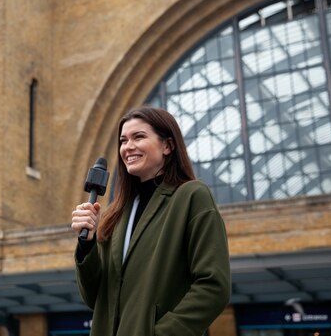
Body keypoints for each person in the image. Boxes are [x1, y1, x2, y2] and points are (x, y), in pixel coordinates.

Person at [71, 106, 231, 336]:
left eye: (139, 137)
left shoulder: (191, 197)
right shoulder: (115, 215)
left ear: (167, 145)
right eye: (123, 140)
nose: (128, 147)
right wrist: (87, 245)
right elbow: (93, 297)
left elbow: (214, 285)